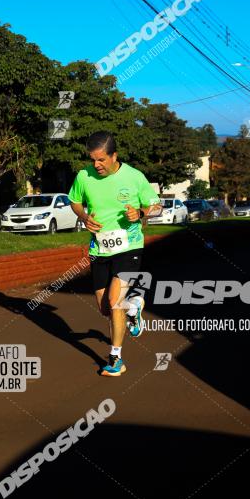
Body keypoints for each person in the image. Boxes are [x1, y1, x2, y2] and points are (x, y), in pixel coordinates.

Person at [69, 131, 161, 377]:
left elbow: (156, 205)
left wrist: (141, 214)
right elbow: (75, 201)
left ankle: (115, 358)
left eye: (101, 160)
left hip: (129, 247)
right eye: (93, 160)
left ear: (114, 156)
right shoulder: (83, 176)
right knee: (104, 308)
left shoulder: (134, 176)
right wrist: (84, 217)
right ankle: (134, 307)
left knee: (114, 301)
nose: (96, 165)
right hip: (100, 248)